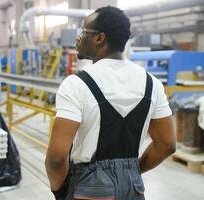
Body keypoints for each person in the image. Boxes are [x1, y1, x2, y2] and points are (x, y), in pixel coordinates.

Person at [45, 6, 176, 200]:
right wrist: (132, 171)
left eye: (83, 31)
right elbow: (167, 144)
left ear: (99, 38)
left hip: (90, 188)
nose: (78, 37)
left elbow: (56, 158)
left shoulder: (76, 84)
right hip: (133, 188)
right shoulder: (152, 84)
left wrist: (59, 190)